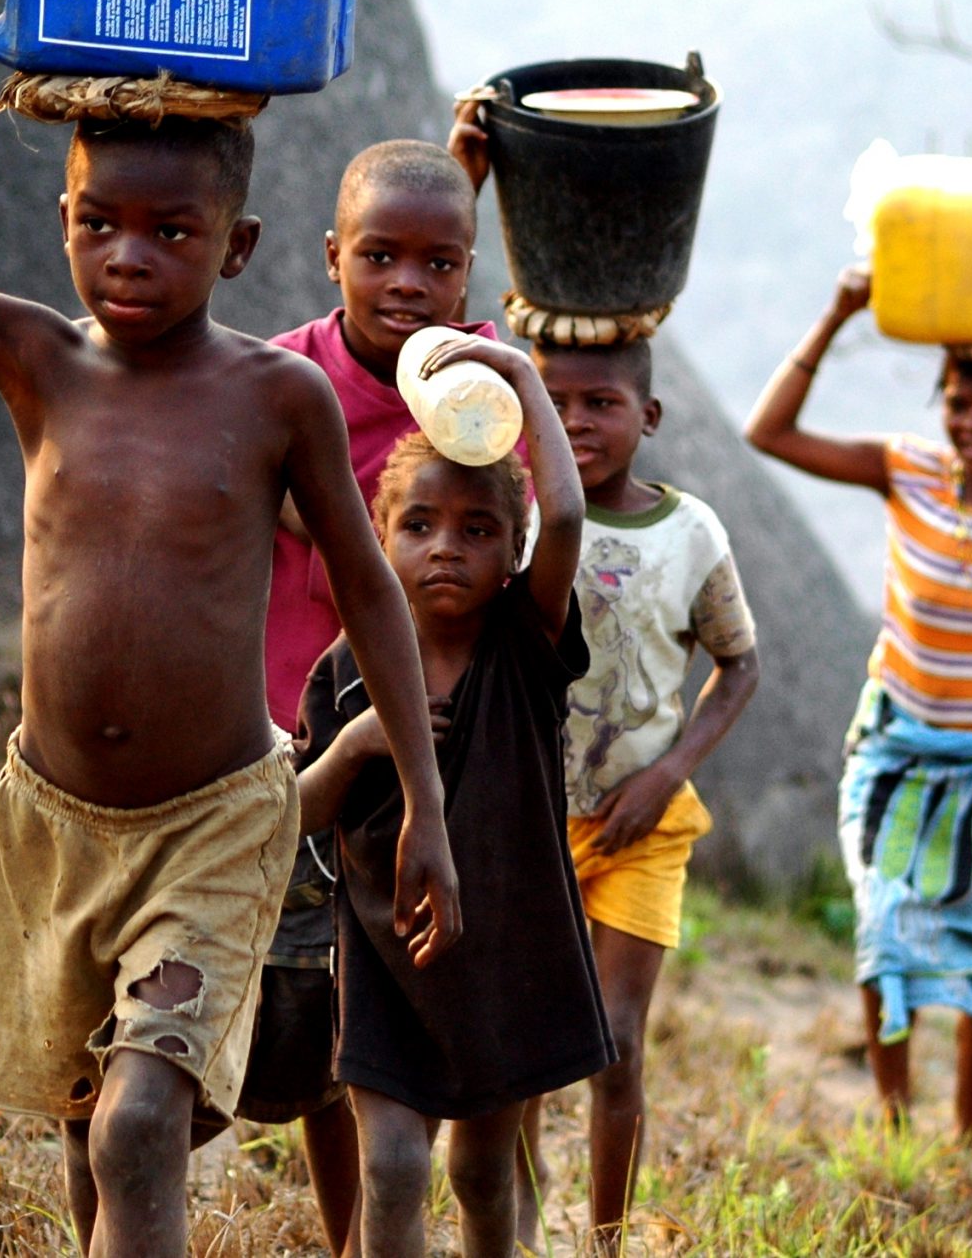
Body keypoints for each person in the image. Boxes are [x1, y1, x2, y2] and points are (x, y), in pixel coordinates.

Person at [0, 0, 460, 1258]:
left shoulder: (274, 397)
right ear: (63, 217)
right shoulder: (33, 357)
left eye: (173, 231)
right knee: (94, 1143)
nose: (129, 256)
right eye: (99, 222)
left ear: (239, 246)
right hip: (54, 827)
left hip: (214, 822)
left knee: (141, 1126)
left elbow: (369, 587)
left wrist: (424, 799)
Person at [744, 262, 972, 1144]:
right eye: (959, 403)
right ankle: (895, 1120)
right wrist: (838, 313)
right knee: (885, 929)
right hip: (899, 745)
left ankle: (969, 1139)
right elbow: (769, 432)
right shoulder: (905, 472)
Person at [296, 339, 613, 1258]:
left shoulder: (526, 645)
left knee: (483, 1170)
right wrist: (360, 743)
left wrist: (521, 379)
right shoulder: (349, 669)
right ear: (377, 534)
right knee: (392, 1168)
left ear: (512, 553)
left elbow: (566, 515)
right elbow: (299, 814)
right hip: (387, 955)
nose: (446, 547)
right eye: (420, 524)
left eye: (478, 530)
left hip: (509, 950)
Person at [243, 136, 498, 1252]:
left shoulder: (473, 386)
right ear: (331, 257)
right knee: (307, 997)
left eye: (437, 264)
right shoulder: (284, 374)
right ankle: (344, 1221)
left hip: (429, 744)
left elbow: (513, 511)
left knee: (382, 1007)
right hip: (288, 725)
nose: (407, 284)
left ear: (468, 273)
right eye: (380, 257)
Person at [515, 337, 763, 1253]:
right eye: (558, 402)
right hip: (527, 820)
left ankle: (607, 1238)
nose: (577, 422)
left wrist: (668, 773)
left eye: (602, 403)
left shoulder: (690, 532)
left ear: (648, 416)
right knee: (527, 1042)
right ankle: (522, 1228)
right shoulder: (517, 515)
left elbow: (739, 665)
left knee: (614, 1040)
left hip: (641, 829)